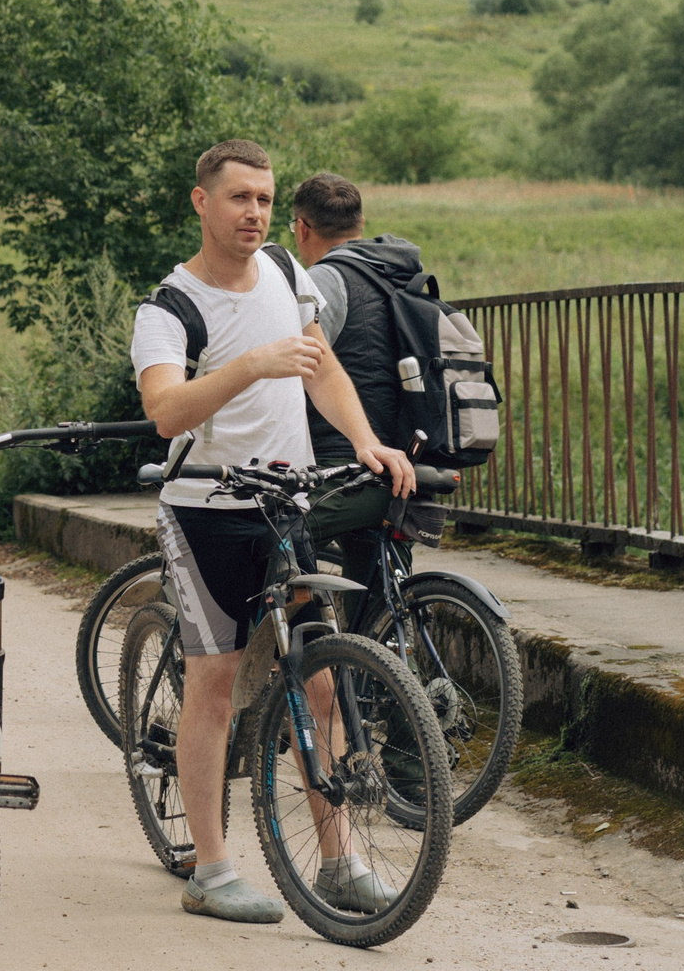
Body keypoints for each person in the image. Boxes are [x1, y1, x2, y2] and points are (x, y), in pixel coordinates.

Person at [132, 139, 414, 924]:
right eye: (238, 198)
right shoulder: (170, 305)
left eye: (264, 198)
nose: (254, 212)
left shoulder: (291, 273)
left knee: (319, 681)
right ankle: (213, 872)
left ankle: (340, 863)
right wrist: (252, 364)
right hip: (205, 515)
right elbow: (165, 412)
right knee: (214, 687)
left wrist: (364, 440)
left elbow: (319, 366)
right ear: (202, 202)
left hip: (284, 510)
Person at [289, 172, 429, 619]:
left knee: (275, 534)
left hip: (348, 466)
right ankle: (384, 683)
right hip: (407, 461)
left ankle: (302, 660)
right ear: (361, 222)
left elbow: (301, 368)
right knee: (377, 611)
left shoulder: (323, 281)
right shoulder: (397, 275)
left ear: (302, 228)